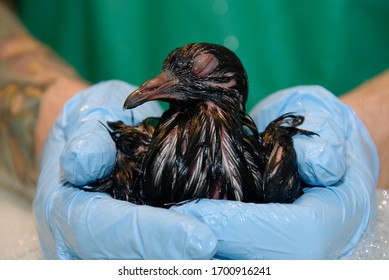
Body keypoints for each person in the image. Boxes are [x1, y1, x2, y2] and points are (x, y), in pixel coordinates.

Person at [0, 1, 386, 259]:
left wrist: (367, 126)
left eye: (199, 73)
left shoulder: (274, 164)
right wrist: (53, 112)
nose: (157, 85)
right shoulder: (136, 155)